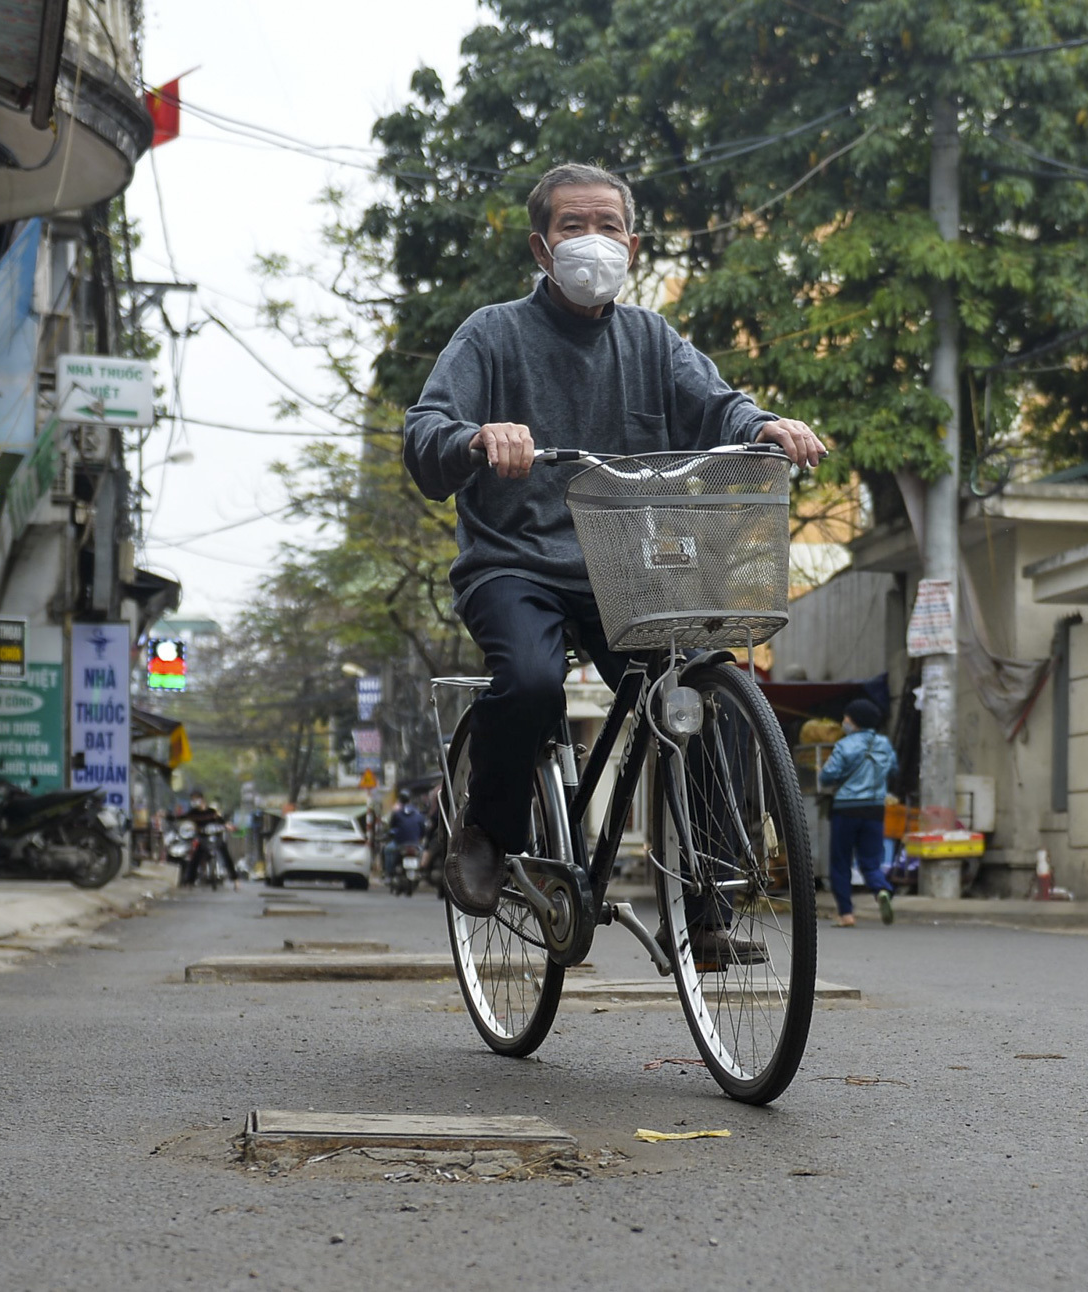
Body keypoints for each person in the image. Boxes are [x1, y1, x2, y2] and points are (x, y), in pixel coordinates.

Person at [402, 162, 825, 961]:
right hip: (514, 562)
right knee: (527, 681)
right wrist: (475, 438)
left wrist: (765, 424)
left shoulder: (651, 340)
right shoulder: (492, 334)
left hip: (626, 567)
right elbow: (426, 435)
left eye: (607, 226)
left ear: (632, 244)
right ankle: (488, 833)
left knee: (704, 684)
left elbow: (719, 404)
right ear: (540, 245)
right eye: (572, 226)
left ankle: (705, 910)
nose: (590, 241)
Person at [819, 698, 898, 927]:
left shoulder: (845, 745)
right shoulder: (883, 744)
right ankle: (881, 889)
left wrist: (823, 772)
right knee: (871, 861)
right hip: (875, 808)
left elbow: (828, 775)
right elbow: (892, 768)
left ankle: (846, 914)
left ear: (854, 721)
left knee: (841, 862)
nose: (844, 721)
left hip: (846, 808)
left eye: (846, 717)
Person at [385, 788, 426, 874]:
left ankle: (388, 873)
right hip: (415, 844)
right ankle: (423, 872)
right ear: (410, 799)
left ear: (400, 799)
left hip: (400, 844)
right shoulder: (417, 812)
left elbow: (392, 827)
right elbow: (423, 830)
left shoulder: (397, 812)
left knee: (387, 850)